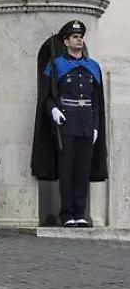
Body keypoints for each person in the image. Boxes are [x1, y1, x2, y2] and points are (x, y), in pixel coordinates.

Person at [31, 20, 108, 227]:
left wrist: (95, 126)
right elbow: (46, 96)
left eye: (80, 36)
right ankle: (67, 215)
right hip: (66, 123)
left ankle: (80, 213)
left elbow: (97, 101)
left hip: (86, 123)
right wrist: (53, 110)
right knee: (67, 170)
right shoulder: (56, 66)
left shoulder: (93, 67)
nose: (79, 40)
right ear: (65, 41)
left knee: (83, 170)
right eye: (74, 37)